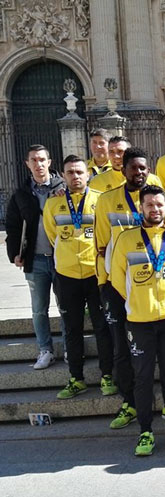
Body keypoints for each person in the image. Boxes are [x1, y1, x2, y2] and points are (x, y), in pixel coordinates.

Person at [95, 147, 165, 429]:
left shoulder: (163, 197)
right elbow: (102, 245)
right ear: (123, 169)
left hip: (162, 288)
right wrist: (113, 286)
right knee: (122, 350)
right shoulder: (107, 200)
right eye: (134, 168)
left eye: (144, 168)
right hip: (122, 288)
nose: (139, 172)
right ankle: (129, 403)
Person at [110, 184, 165, 456]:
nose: (155, 209)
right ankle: (145, 432)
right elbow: (117, 278)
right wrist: (138, 302)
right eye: (149, 205)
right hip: (140, 321)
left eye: (160, 205)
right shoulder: (125, 239)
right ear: (140, 208)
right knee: (143, 377)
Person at [42, 155, 114, 399]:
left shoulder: (101, 201)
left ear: (88, 174)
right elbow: (54, 237)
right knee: (71, 329)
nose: (75, 176)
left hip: (95, 274)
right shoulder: (53, 204)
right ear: (63, 175)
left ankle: (107, 376)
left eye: (79, 172)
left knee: (102, 327)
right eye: (70, 172)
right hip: (66, 275)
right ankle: (76, 378)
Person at [6, 145, 67, 370]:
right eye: (34, 160)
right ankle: (45, 350)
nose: (38, 164)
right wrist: (15, 253)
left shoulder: (63, 188)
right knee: (39, 308)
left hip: (62, 258)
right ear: (27, 164)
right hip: (36, 259)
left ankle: (70, 347)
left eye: (42, 159)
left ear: (50, 162)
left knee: (65, 307)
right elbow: (13, 225)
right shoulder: (21, 194)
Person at [89, 136, 162, 193]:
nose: (116, 156)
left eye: (120, 151)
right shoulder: (97, 181)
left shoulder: (152, 180)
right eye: (111, 151)